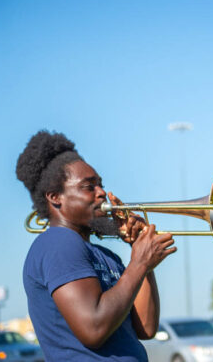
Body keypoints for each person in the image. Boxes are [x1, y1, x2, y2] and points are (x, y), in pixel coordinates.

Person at [16, 130, 177, 361]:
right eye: (88, 187)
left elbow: (146, 328)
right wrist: (139, 263)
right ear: (55, 197)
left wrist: (143, 258)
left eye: (100, 185)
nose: (101, 192)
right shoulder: (58, 242)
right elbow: (93, 329)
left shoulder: (106, 256)